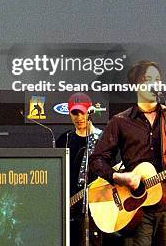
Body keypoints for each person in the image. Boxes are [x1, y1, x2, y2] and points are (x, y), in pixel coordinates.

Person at [89, 61, 166, 246]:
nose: (154, 83)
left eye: (157, 79)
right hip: (133, 206)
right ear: (136, 84)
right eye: (148, 79)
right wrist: (119, 178)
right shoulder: (120, 121)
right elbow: (97, 160)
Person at [56, 93, 105, 246]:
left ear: (89, 112)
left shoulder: (101, 138)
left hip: (95, 206)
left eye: (82, 112)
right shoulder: (64, 139)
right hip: (70, 207)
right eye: (74, 113)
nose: (79, 117)